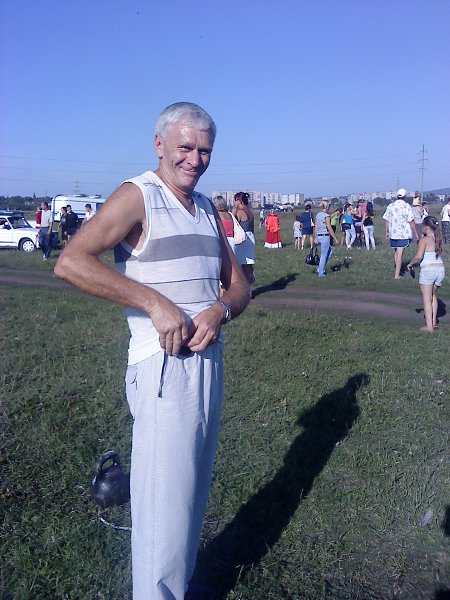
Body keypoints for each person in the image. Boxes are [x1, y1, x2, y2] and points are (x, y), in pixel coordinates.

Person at [54, 102, 250, 600]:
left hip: (208, 363)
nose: (195, 160)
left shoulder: (206, 208)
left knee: (190, 496)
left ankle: (176, 588)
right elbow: (72, 262)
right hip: (163, 368)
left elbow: (239, 286)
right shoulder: (139, 195)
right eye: (185, 147)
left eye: (205, 150)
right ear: (159, 144)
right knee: (163, 507)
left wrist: (219, 311)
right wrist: (153, 302)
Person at [407, 216, 445, 332]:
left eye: (423, 226)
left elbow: (418, 256)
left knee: (426, 298)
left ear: (427, 227)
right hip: (440, 269)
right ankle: (433, 322)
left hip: (428, 269)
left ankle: (429, 327)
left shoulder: (424, 240)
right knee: (433, 295)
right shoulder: (439, 239)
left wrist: (410, 264)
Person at [383, 188, 419, 279]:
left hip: (393, 233)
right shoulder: (406, 206)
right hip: (403, 234)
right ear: (405, 196)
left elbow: (387, 220)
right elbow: (411, 221)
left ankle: (398, 270)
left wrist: (387, 231)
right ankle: (397, 275)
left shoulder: (391, 206)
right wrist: (416, 233)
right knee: (400, 253)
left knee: (396, 252)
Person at [233, 191, 256, 284]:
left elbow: (234, 222)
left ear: (239, 200)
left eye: (235, 200)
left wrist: (234, 209)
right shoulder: (249, 212)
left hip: (243, 239)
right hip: (251, 238)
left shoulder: (241, 212)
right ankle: (249, 283)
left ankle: (244, 285)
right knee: (248, 264)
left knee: (241, 263)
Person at [314, 201, 340, 278]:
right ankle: (321, 273)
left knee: (329, 252)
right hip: (325, 236)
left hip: (319, 235)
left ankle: (320, 268)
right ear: (326, 207)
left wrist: (315, 237)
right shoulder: (326, 216)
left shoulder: (318, 214)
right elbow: (329, 227)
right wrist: (335, 238)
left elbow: (316, 226)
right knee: (324, 255)